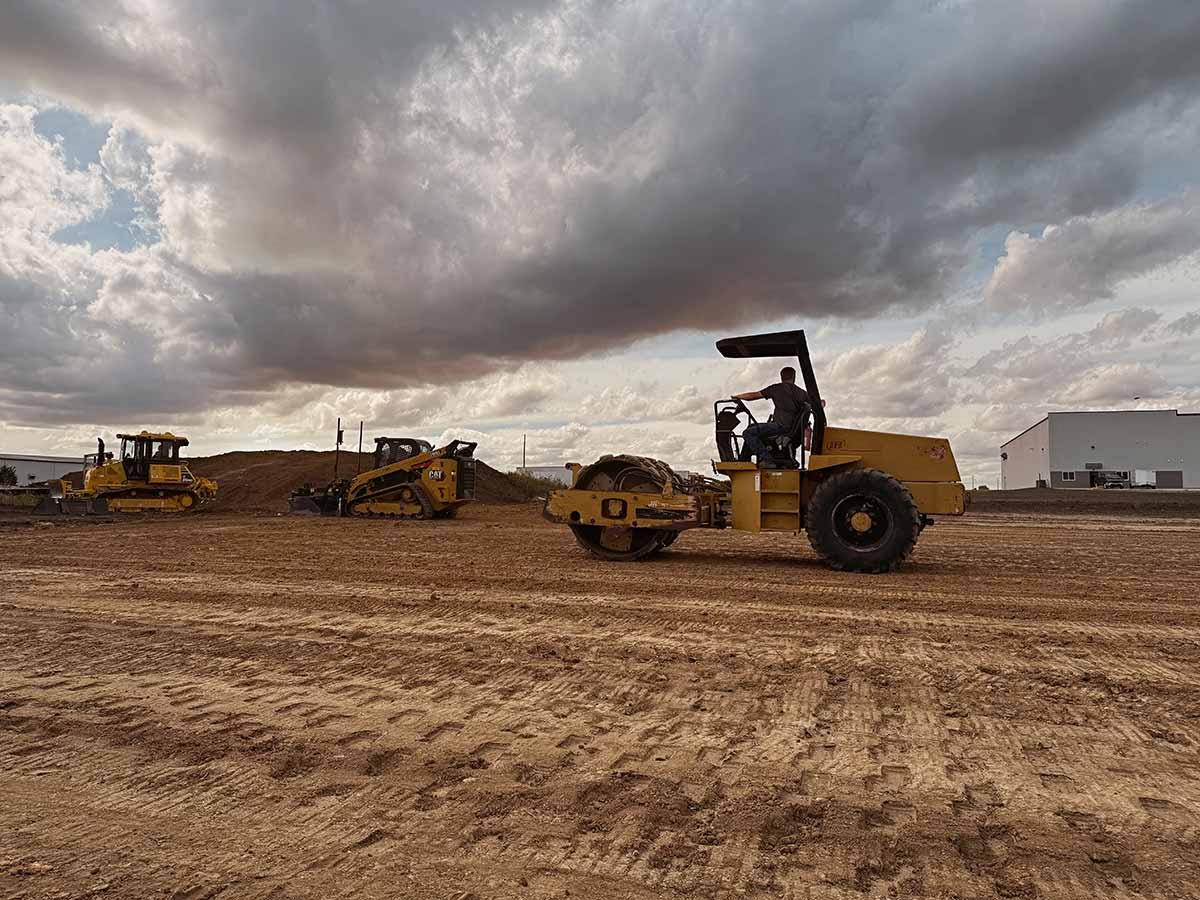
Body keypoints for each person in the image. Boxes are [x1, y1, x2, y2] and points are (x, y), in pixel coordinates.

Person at [732, 366, 811, 464]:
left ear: (781, 377)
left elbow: (754, 396)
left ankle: (766, 459)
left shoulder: (776, 388)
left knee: (748, 433)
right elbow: (816, 403)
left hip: (780, 426)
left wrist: (738, 397)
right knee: (751, 427)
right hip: (791, 428)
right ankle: (744, 460)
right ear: (794, 377)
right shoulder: (802, 393)